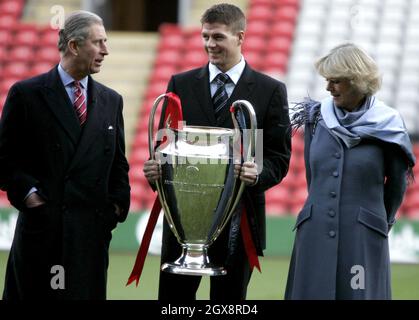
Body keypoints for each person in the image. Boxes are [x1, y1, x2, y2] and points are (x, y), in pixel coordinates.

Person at [143, 3, 291, 300]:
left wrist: (258, 172)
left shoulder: (269, 90)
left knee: (228, 304)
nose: (210, 44)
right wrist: (155, 172)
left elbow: (278, 156)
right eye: (205, 36)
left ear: (240, 37)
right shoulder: (180, 84)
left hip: (240, 222)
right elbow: (165, 149)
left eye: (218, 37)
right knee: (174, 304)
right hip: (184, 224)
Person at [0, 11, 130, 300]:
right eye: (98, 43)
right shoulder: (26, 94)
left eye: (106, 42)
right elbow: (4, 159)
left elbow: (118, 164)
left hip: (90, 237)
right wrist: (30, 196)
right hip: (42, 235)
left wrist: (117, 207)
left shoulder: (112, 100)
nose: (106, 51)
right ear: (73, 46)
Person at [285, 43, 416, 300]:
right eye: (327, 80)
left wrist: (377, 222)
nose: (327, 88)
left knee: (359, 293)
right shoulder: (316, 117)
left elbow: (396, 187)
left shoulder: (389, 124)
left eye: (336, 81)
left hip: (363, 238)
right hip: (314, 233)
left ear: (357, 81)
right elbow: (315, 179)